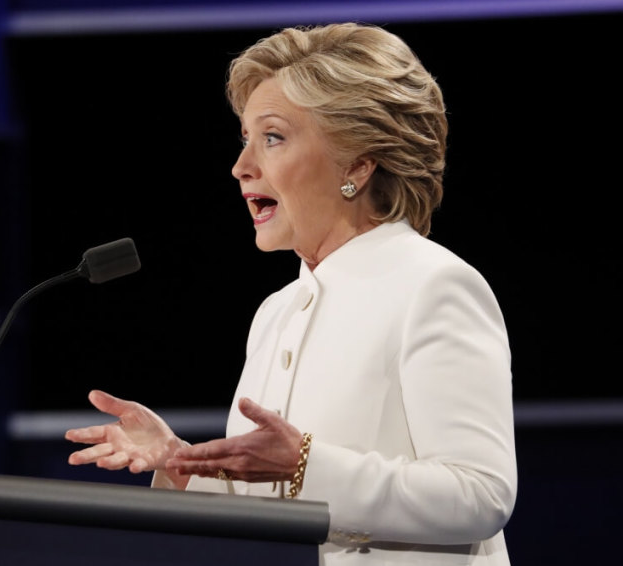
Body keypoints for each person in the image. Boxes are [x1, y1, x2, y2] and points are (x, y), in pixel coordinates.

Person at [64, 21, 517, 565]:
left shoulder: (434, 286)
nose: (241, 167)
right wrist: (183, 463)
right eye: (245, 140)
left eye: (272, 137)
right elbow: (275, 499)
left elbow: (481, 493)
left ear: (357, 162)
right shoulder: (275, 314)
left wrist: (305, 462)